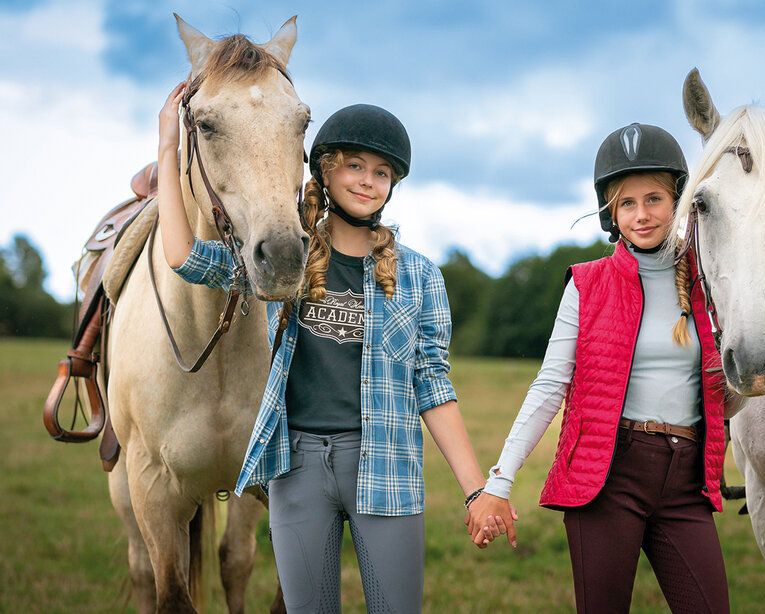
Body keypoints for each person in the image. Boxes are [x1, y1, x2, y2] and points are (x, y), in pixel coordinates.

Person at [157, 82, 487, 613]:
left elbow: (434, 385)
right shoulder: (282, 263)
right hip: (299, 468)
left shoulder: (420, 278)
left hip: (385, 464)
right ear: (325, 171)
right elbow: (183, 256)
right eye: (355, 166)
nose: (368, 181)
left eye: (382, 173)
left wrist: (476, 489)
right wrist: (168, 144)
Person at [467, 123, 731, 613]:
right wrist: (498, 484)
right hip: (609, 480)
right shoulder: (587, 285)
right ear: (612, 214)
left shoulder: (709, 282)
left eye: (653, 198)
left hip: (684, 480)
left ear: (677, 198)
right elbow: (549, 386)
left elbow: (725, 391)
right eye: (626, 204)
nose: (642, 214)